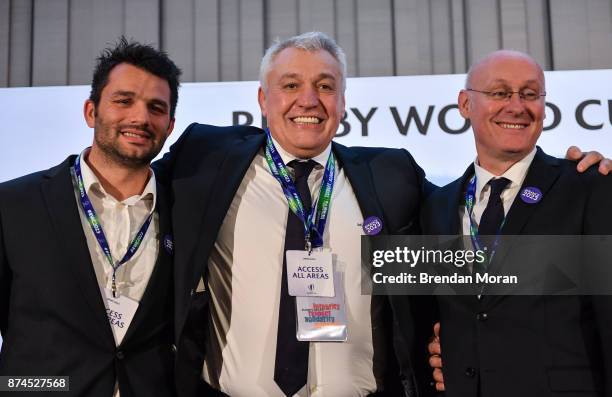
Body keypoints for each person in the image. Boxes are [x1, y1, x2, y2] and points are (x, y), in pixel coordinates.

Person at [157, 33, 610, 397]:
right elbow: (129, 180)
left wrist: (579, 174)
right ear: (262, 98)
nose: (309, 100)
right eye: (291, 85)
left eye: (326, 86)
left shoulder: (391, 177)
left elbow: (474, 269)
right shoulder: (208, 161)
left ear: (344, 102)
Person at [416, 50, 612, 396]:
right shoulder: (436, 205)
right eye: (500, 93)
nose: (517, 106)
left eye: (530, 93)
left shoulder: (589, 185)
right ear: (465, 104)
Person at [0, 37, 180, 396]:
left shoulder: (185, 210)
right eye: (123, 101)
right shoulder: (13, 204)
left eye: (155, 107)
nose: (140, 117)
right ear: (91, 111)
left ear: (170, 125)